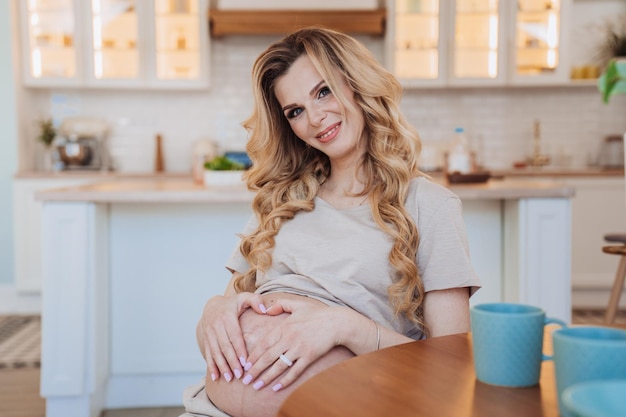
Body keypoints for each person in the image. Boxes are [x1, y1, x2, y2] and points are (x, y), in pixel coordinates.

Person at [181, 27, 481, 417]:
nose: (315, 118)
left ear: (357, 85)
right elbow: (229, 308)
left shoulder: (429, 205)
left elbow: (452, 365)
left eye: (323, 91)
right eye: (295, 111)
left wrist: (345, 326)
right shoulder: (281, 200)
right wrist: (214, 311)